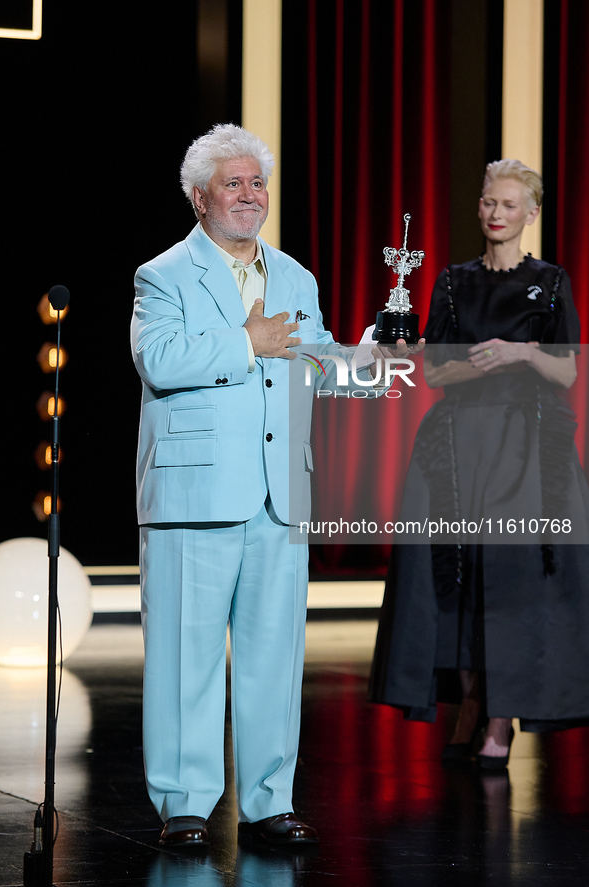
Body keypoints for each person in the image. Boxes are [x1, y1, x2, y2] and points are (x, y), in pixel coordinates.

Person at [131, 123, 416, 849]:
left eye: (257, 182)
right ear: (200, 198)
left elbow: (314, 367)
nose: (250, 195)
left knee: (271, 658)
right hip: (195, 494)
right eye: (234, 183)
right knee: (184, 658)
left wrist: (371, 356)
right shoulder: (161, 274)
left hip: (277, 493)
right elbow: (158, 359)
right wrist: (244, 343)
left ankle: (267, 802)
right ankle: (185, 804)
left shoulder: (294, 277)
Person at [369, 159, 589, 769]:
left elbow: (567, 369)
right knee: (452, 577)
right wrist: (480, 362)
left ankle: (500, 717)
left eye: (509, 205)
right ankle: (469, 703)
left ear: (530, 214)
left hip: (525, 442)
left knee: (511, 578)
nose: (496, 213)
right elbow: (434, 368)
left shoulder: (550, 281)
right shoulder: (451, 281)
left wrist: (520, 352)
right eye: (489, 202)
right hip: (457, 441)